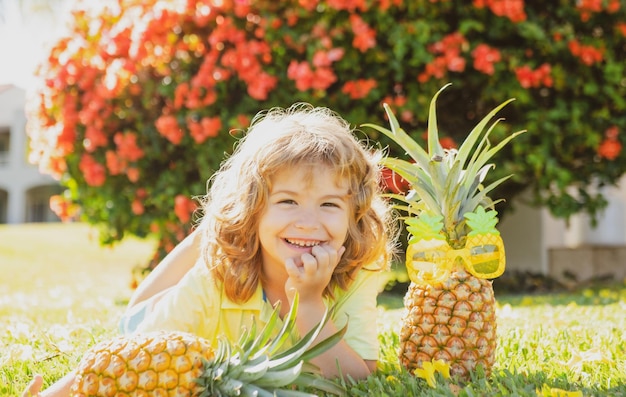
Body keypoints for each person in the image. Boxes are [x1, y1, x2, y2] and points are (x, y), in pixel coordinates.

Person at [23, 103, 397, 396]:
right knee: (140, 311)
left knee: (237, 235)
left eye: (330, 205)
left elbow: (359, 380)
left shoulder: (358, 270)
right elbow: (128, 355)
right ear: (257, 207)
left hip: (249, 250)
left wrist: (311, 304)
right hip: (159, 313)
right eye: (287, 201)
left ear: (355, 215)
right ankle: (221, 224)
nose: (308, 222)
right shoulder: (214, 279)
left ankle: (233, 222)